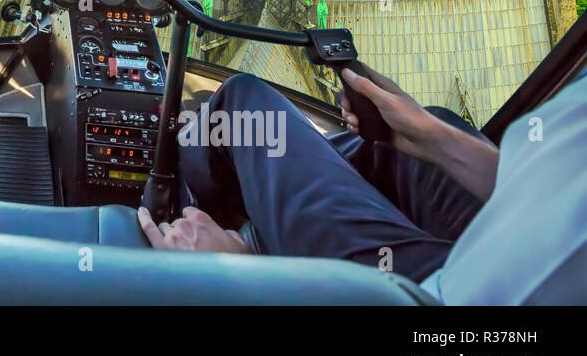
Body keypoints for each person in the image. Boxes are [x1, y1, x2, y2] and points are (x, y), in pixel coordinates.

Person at [137, 65, 587, 303]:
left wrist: (240, 279)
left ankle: (198, 198)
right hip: (518, 238)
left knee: (247, 107)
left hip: (440, 300)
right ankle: (282, 217)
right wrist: (431, 137)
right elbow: (556, 187)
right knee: (416, 135)